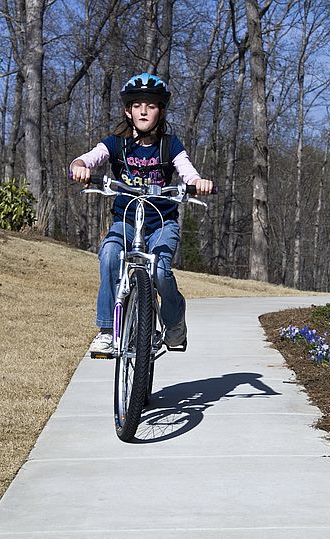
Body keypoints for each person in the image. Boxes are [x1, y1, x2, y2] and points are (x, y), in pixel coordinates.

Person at [70, 72, 214, 354]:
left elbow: (186, 170)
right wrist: (80, 166)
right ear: (128, 110)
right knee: (110, 255)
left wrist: (197, 183)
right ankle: (108, 330)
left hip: (162, 223)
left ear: (161, 110)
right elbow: (90, 157)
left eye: (151, 105)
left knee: (160, 272)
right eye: (137, 105)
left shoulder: (169, 145)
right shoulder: (116, 143)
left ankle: (174, 324)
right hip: (125, 220)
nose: (144, 110)